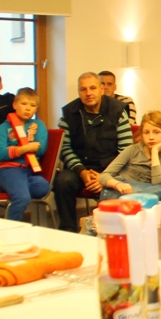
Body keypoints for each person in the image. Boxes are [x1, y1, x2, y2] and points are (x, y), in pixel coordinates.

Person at [54, 72, 132, 232]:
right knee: (62, 182)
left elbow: (126, 152)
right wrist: (81, 171)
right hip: (80, 168)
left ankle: (106, 230)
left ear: (101, 89)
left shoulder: (118, 111)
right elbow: (64, 148)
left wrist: (105, 178)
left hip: (110, 169)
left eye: (92, 88)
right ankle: (68, 231)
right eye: (83, 89)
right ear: (78, 92)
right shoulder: (68, 114)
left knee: (115, 187)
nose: (88, 93)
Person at [0, 87, 49, 221]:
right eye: (23, 104)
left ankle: (2, 187)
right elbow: (0, 154)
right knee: (22, 197)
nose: (28, 108)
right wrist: (24, 149)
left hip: (29, 171)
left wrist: (13, 148)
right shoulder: (4, 127)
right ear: (14, 105)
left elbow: (41, 149)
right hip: (8, 169)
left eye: (32, 105)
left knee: (43, 187)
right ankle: (11, 229)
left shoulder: (38, 125)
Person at [98, 111, 161, 202]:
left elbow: (157, 182)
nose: (151, 137)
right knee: (111, 191)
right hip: (120, 188)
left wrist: (155, 151)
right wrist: (117, 184)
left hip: (144, 191)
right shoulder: (132, 150)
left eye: (156, 132)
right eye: (146, 132)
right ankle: (133, 200)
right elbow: (103, 176)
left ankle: (131, 200)